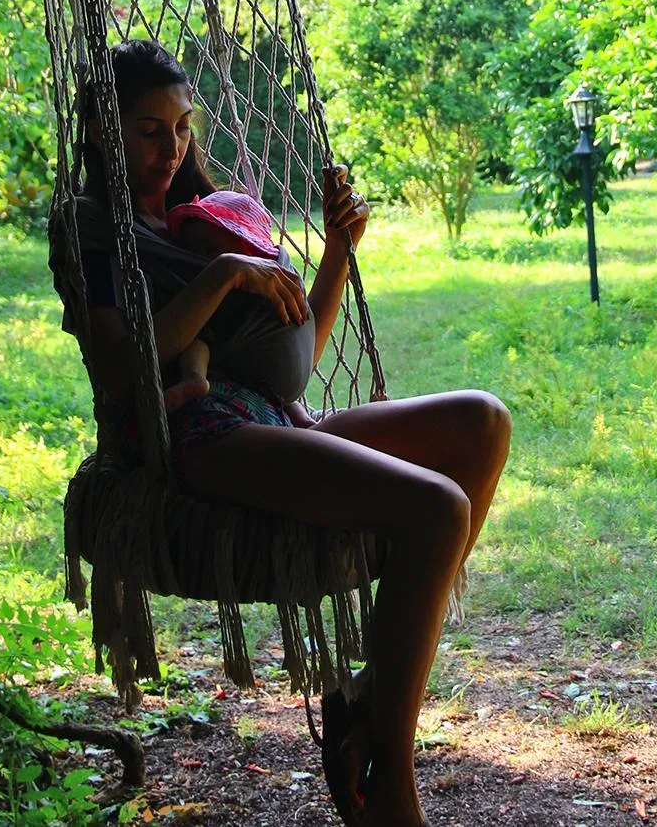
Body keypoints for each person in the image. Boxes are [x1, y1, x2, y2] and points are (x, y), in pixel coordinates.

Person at [79, 40, 511, 827]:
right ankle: (391, 791)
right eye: (149, 130)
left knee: (482, 421)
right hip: (199, 435)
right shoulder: (95, 229)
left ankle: (367, 715)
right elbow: (120, 370)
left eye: (181, 129)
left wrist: (338, 252)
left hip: (279, 416)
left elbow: (296, 360)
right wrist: (223, 277)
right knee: (437, 510)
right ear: (103, 130)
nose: (171, 150)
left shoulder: (201, 214)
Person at [165, 190, 316, 427]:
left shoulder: (245, 289)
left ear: (249, 252)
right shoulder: (286, 276)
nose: (200, 260)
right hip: (272, 388)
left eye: (210, 250)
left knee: (200, 341)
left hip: (262, 382)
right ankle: (302, 418)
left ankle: (194, 378)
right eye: (191, 251)